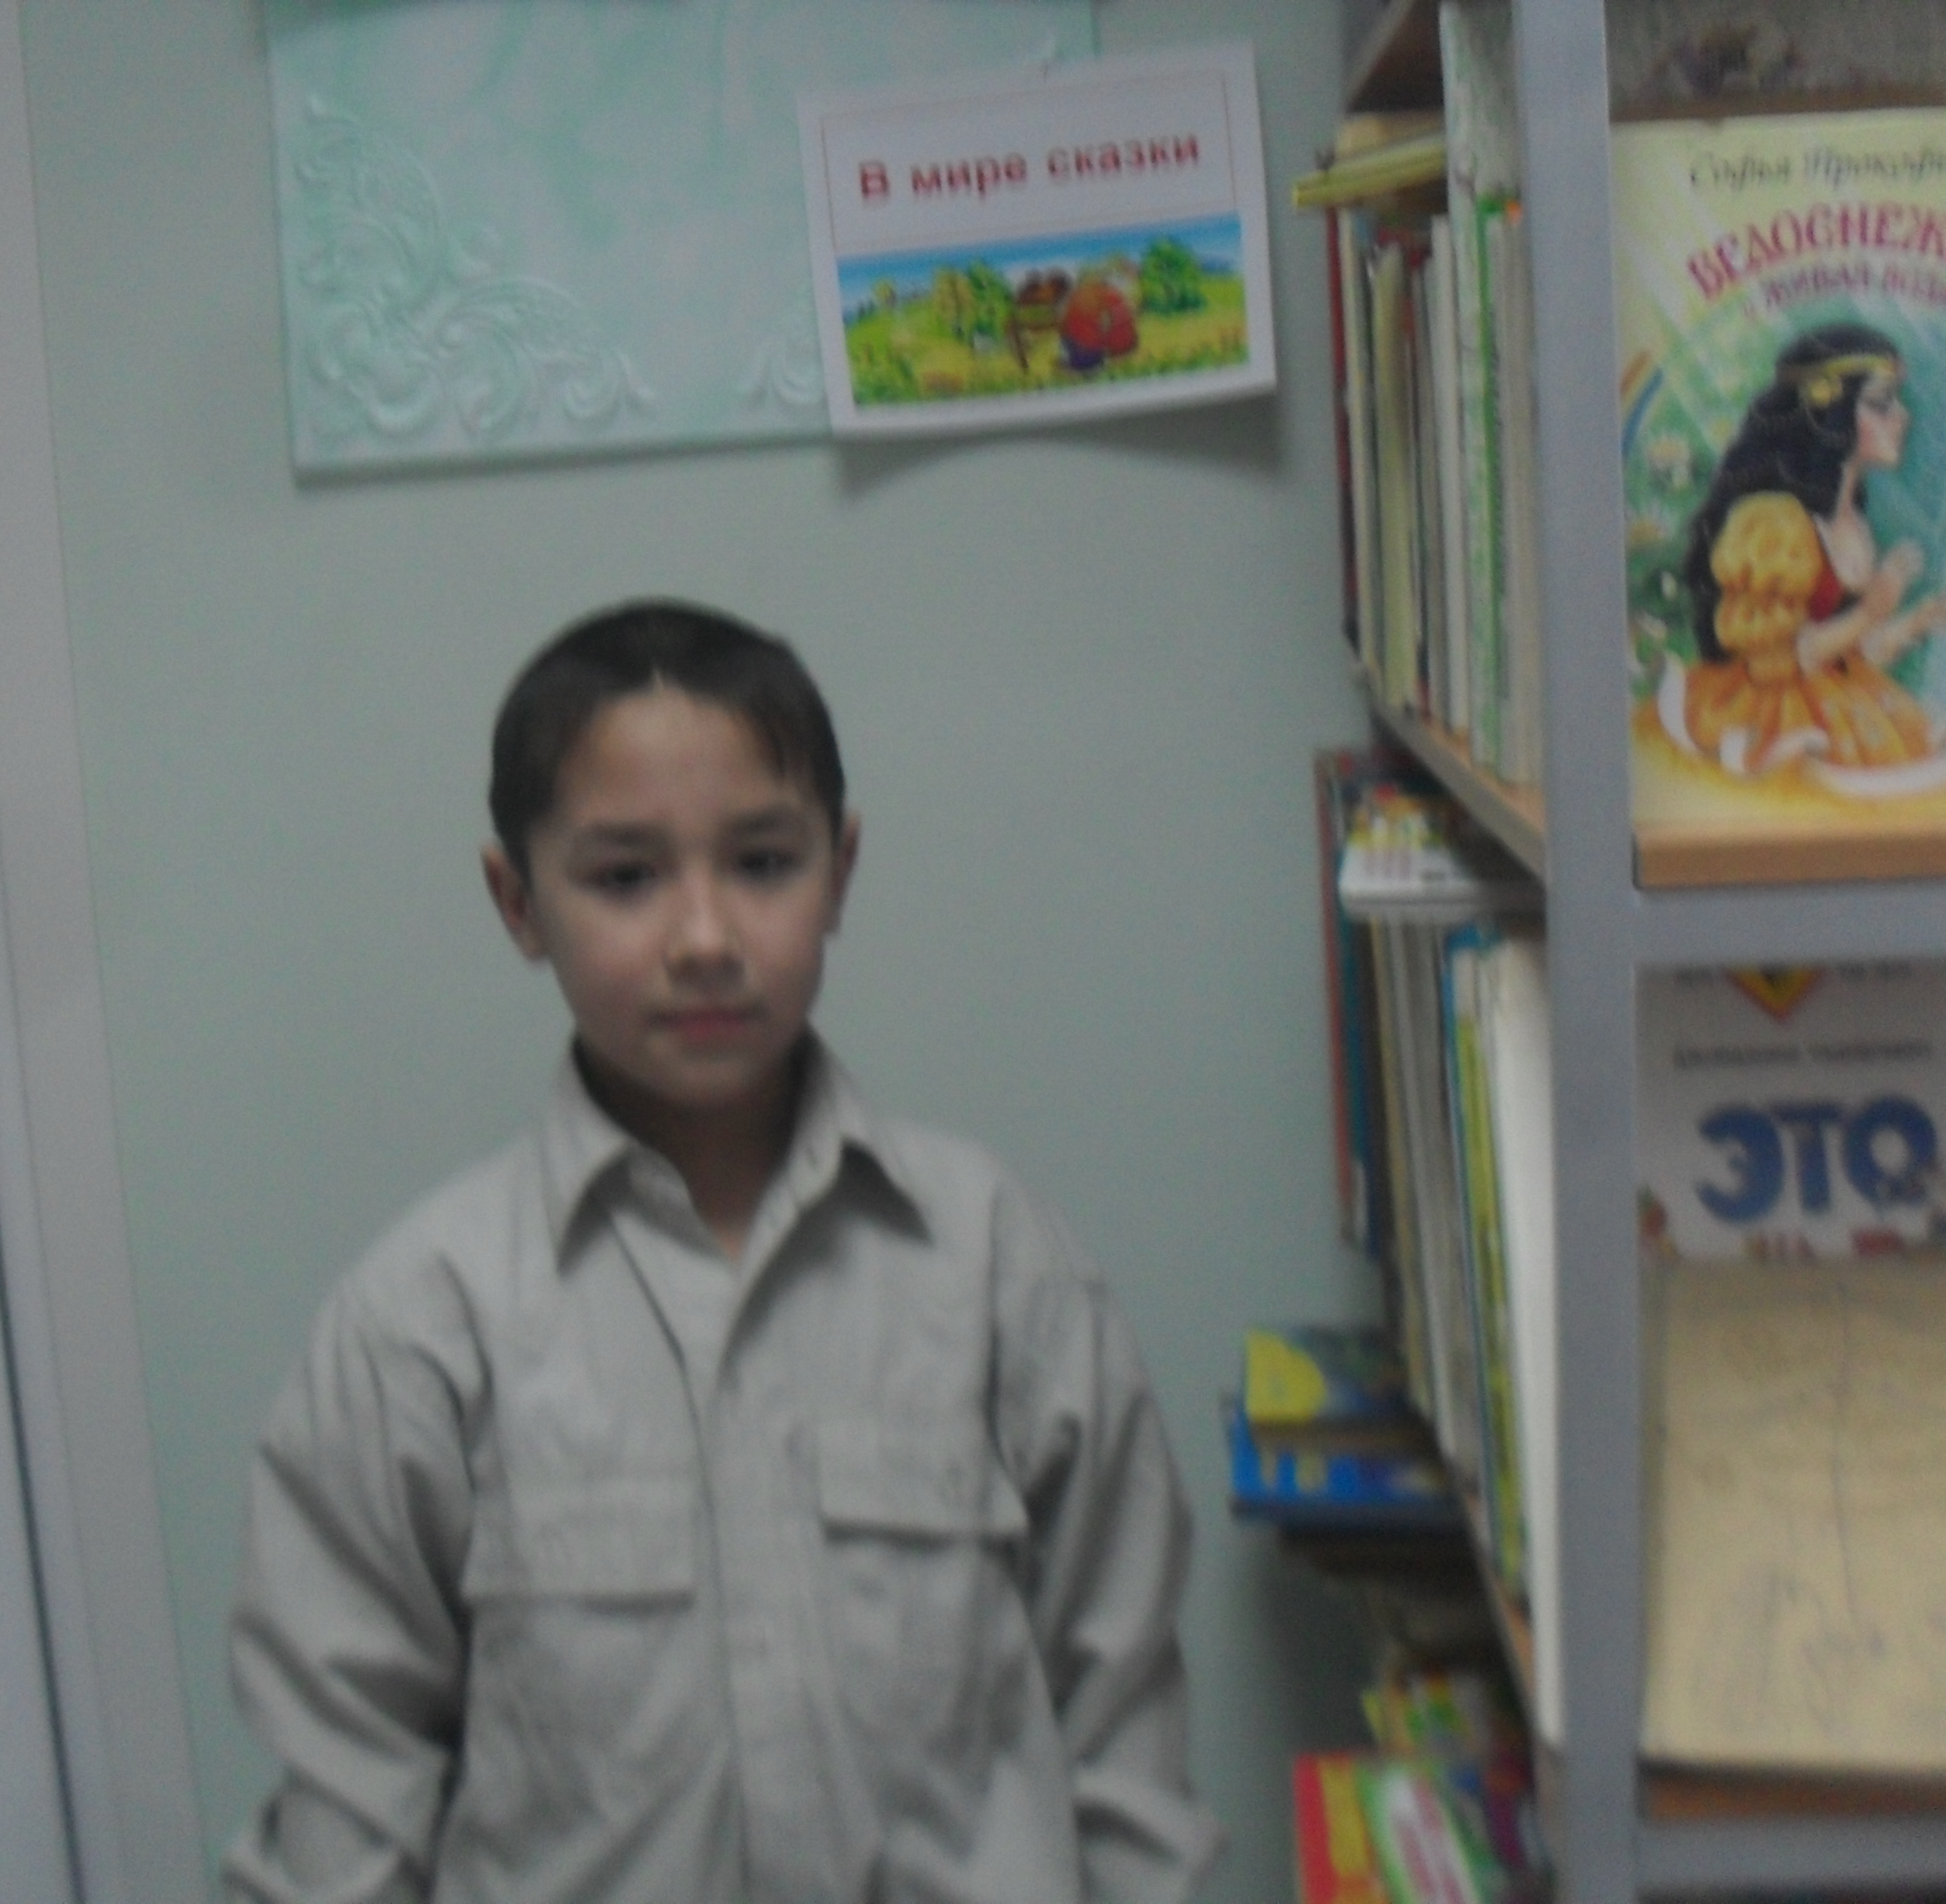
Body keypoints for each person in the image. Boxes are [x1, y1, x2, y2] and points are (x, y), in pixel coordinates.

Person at [222, 600, 1223, 1904]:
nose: (703, 937)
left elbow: (1123, 1736)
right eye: (624, 878)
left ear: (840, 871)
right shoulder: (420, 1328)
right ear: (517, 902)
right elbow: (345, 1807)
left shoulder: (996, 1268)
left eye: (761, 862)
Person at [1664, 322, 1946, 791]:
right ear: (1830, 412)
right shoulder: (1777, 524)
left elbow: (1851, 656)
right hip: (1772, 712)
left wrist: (1920, 620)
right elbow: (1773, 662)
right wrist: (1873, 607)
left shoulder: (1853, 522)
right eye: (1881, 403)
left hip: (1843, 703)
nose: (1902, 416)